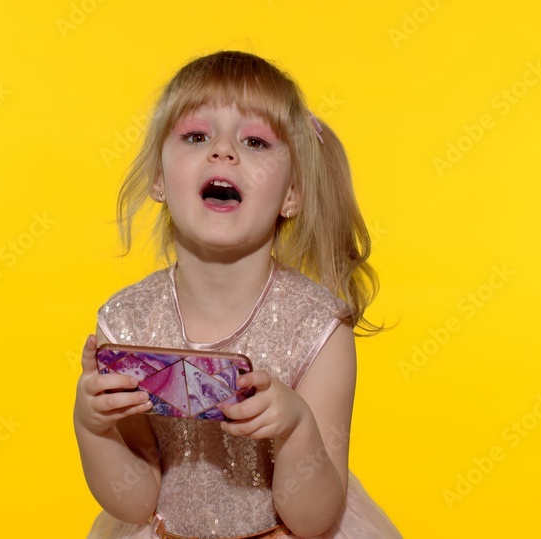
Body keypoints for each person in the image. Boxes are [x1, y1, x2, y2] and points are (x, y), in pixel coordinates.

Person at [74, 51, 402, 539]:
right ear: (160, 179)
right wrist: (93, 428)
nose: (223, 152)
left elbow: (314, 520)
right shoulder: (127, 322)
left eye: (254, 141)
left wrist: (296, 429)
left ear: (292, 193)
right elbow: (139, 500)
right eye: (196, 136)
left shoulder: (317, 329)